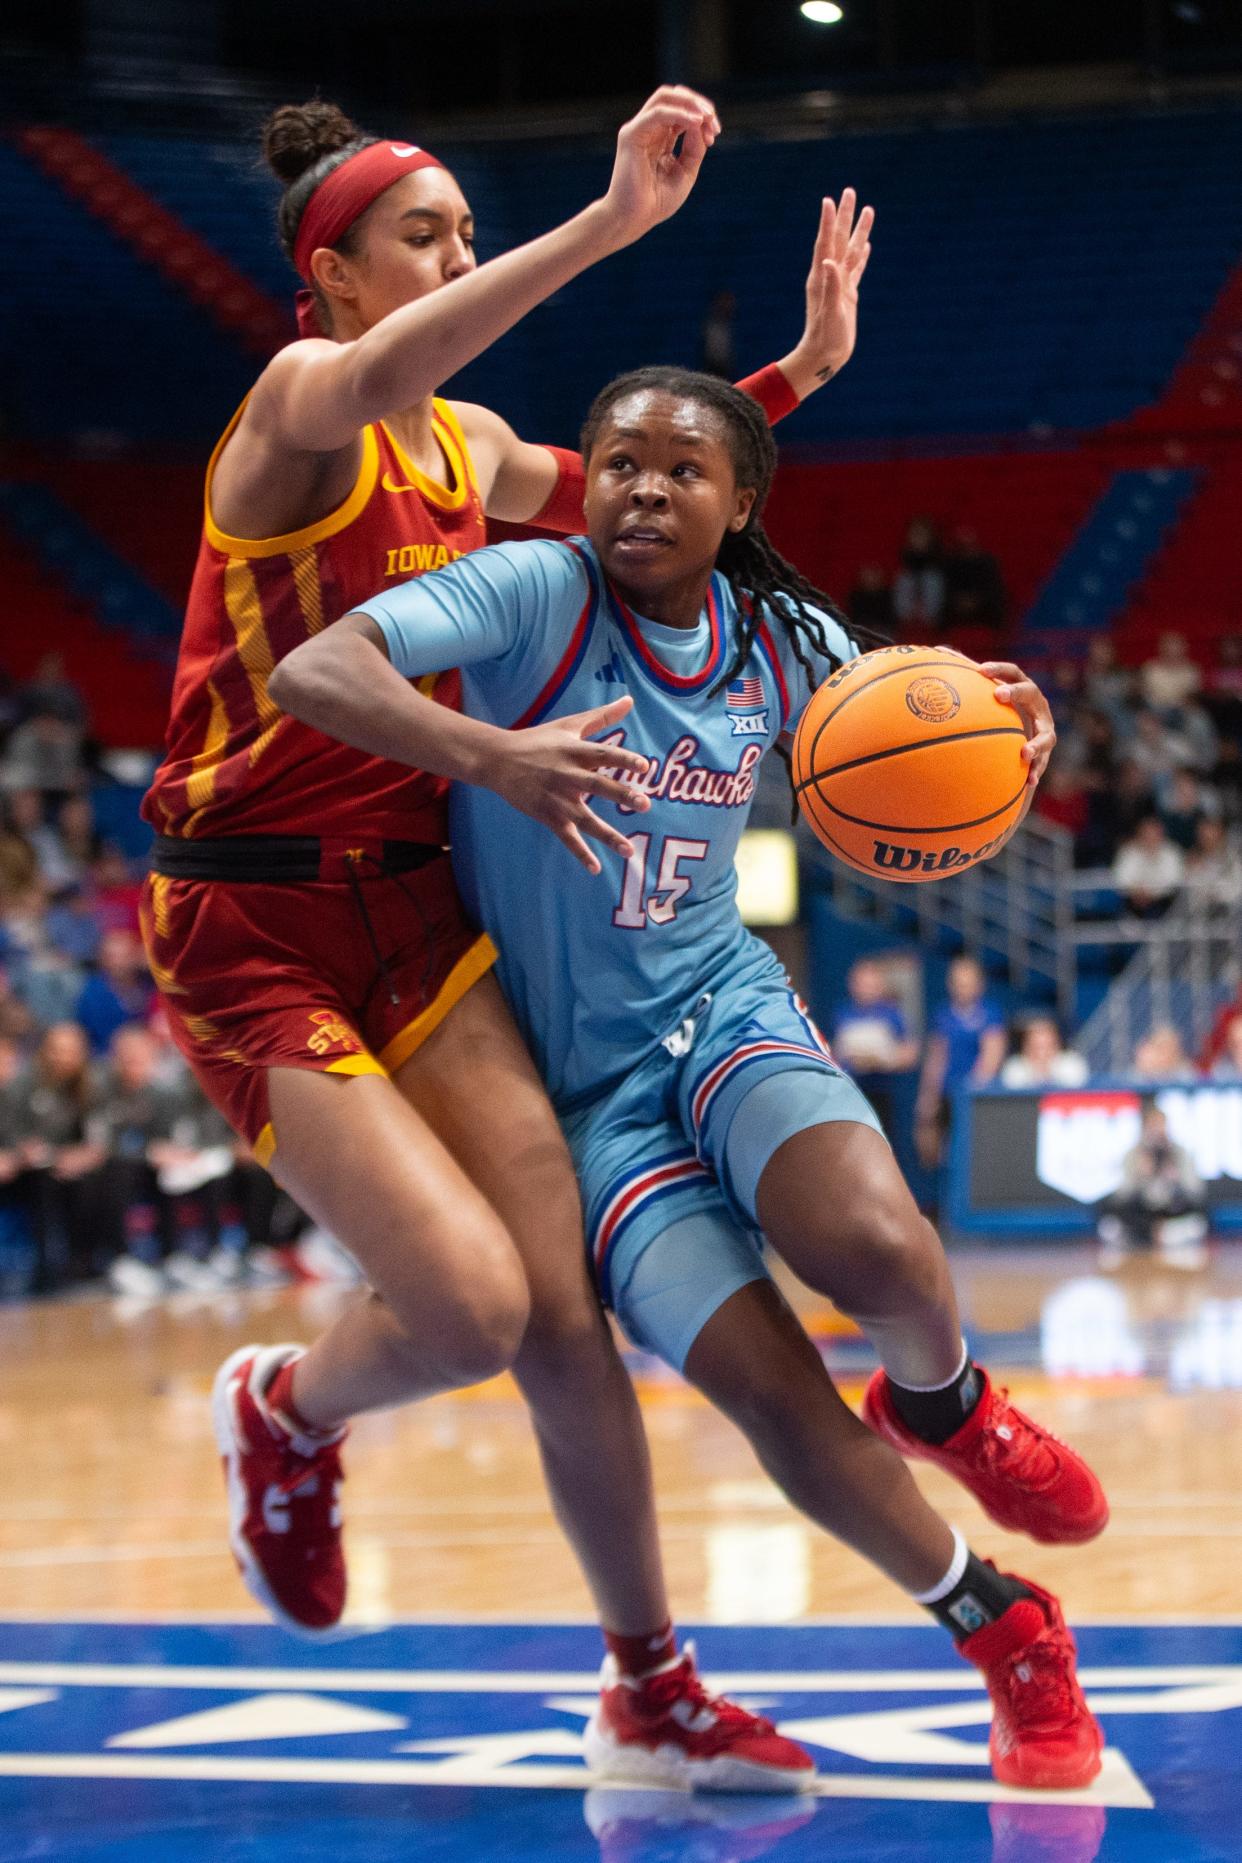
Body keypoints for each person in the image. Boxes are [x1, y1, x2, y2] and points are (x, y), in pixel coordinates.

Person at [141, 91, 872, 1790]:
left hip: (412, 896)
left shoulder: (462, 445)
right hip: (248, 915)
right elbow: (382, 379)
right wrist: (614, 223)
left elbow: (641, 489)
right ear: (328, 274)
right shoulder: (296, 406)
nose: (458, 256)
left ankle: (649, 1681)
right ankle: (285, 1409)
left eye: (471, 233)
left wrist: (797, 380)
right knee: (462, 1305)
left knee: (557, 1307)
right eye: (427, 236)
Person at [277, 365, 1106, 1792]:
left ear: (739, 504)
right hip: (582, 1102)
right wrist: (497, 752)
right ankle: (1008, 1626)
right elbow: (316, 667)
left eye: (678, 471)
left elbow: (922, 722)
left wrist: (998, 728)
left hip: (723, 1011)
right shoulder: (535, 592)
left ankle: (943, 1399)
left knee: (879, 1242)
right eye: (615, 463)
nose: (641, 490)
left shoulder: (778, 631)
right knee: (771, 1392)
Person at [914, 955, 1006, 1169]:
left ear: (979, 985)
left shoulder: (990, 1013)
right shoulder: (943, 1015)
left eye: (968, 983)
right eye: (958, 983)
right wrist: (928, 1097)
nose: (963, 989)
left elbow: (991, 1055)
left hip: (977, 1097)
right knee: (945, 1154)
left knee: (976, 1154)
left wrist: (972, 1090)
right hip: (948, 1095)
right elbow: (937, 1058)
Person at [1097, 1106, 1208, 1271]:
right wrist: (1139, 1176)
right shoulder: (1133, 1155)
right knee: (1108, 1223)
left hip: (1171, 1213)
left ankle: (1162, 1236)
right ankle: (1148, 1236)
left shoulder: (1180, 1153)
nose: (1157, 1131)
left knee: (1197, 1222)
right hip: (1141, 1216)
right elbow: (1121, 1196)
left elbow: (1196, 1192)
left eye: (1160, 1126)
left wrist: (1176, 1181)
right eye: (1152, 1126)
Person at [829, 956, 917, 1138]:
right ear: (852, 985)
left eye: (870, 984)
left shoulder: (892, 1014)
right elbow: (835, 1052)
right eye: (861, 984)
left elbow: (909, 1054)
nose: (865, 989)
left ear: (880, 986)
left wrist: (885, 1060)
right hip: (851, 1093)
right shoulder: (843, 1012)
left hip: (881, 1093)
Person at [1111, 814, 1184, 919]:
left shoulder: (1172, 852)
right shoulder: (1127, 852)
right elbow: (1120, 878)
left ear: (1161, 833)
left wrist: (1151, 893)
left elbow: (1174, 879)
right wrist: (1137, 892)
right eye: (1146, 833)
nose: (1150, 837)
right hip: (1133, 902)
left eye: (1154, 833)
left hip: (1164, 903)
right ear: (1139, 834)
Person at [999, 1016, 1088, 1089]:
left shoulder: (1071, 1063)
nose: (1042, 1053)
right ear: (1025, 1047)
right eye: (1036, 1047)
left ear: (1058, 1045)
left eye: (1048, 1046)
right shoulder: (1015, 1067)